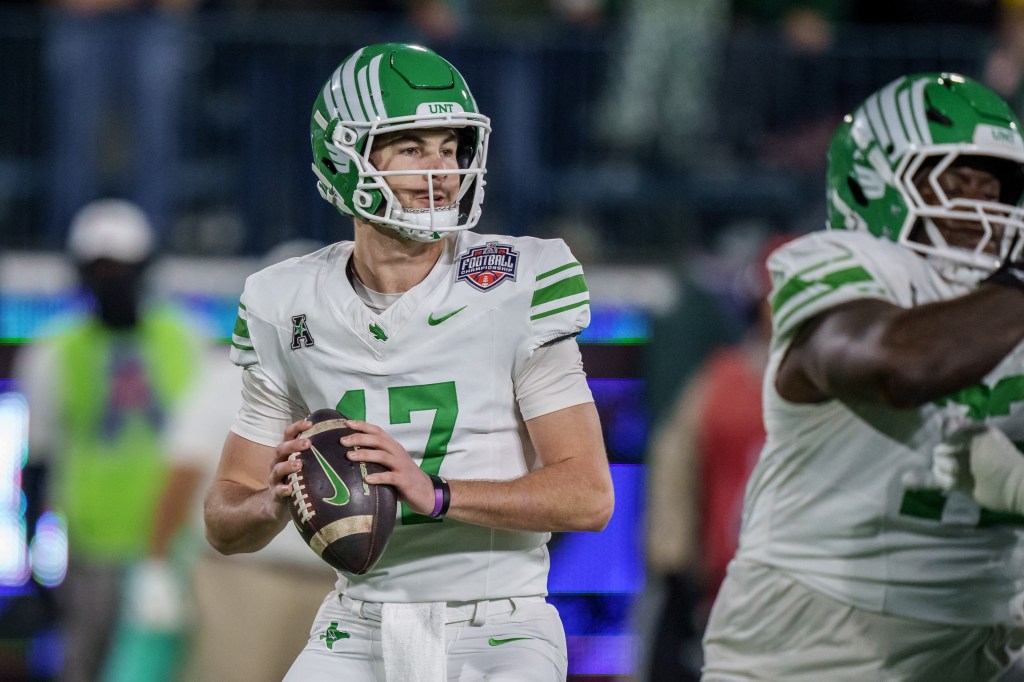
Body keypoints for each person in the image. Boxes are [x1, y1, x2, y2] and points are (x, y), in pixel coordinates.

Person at [203, 43, 615, 682]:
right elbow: (223, 520)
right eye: (413, 149)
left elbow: (588, 496)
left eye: (450, 149)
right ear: (345, 162)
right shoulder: (282, 301)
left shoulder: (515, 281)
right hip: (356, 621)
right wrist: (275, 502)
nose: (442, 171)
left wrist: (435, 493)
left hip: (498, 624)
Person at [701, 72, 1024, 682]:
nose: (981, 205)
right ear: (872, 180)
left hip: (983, 636)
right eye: (956, 179)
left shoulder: (1006, 301)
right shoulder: (849, 265)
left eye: (997, 185)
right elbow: (899, 366)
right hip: (818, 642)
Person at [13, 199, 203, 682]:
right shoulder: (56, 350)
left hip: (176, 549)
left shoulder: (186, 340)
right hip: (92, 551)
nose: (113, 280)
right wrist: (38, 567)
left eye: (123, 267)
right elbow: (40, 460)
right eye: (101, 269)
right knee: (87, 665)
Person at [162, 240, 339, 682]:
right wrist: (156, 566)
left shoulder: (360, 373)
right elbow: (180, 475)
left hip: (339, 582)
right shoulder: (226, 376)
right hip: (246, 577)